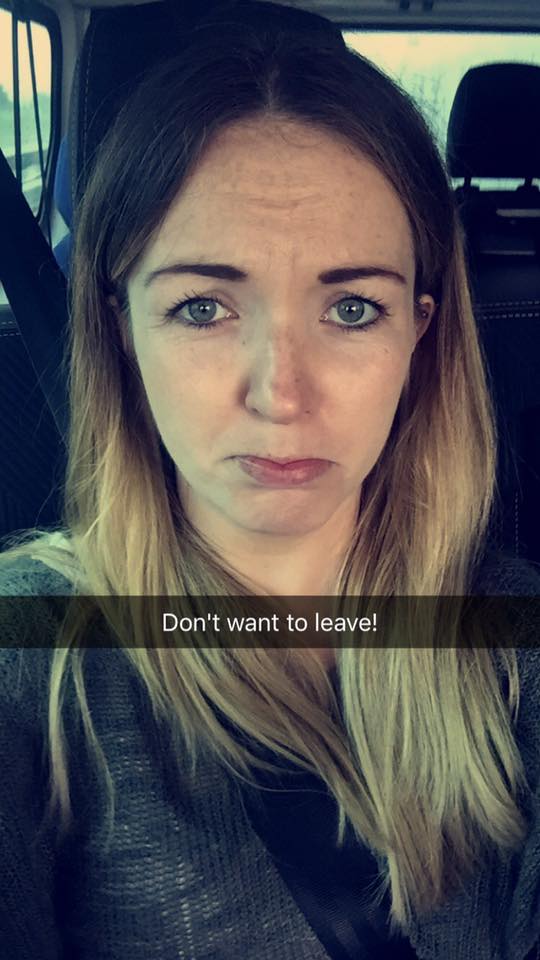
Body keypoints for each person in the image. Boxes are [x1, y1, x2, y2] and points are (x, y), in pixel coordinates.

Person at [0, 2, 539, 958]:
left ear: (420, 330)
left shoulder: (508, 640)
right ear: (122, 329)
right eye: (203, 307)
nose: (282, 395)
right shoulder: (32, 660)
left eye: (352, 308)